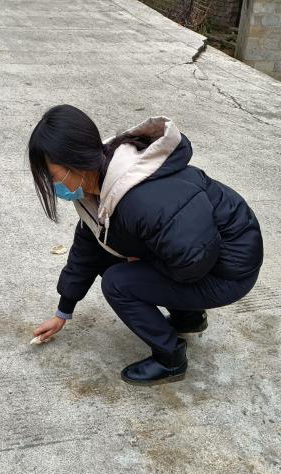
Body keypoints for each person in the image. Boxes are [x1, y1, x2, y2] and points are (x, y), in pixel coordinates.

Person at [26, 104, 264, 386]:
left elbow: (194, 259)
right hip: (206, 251)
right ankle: (188, 318)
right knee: (112, 253)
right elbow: (87, 249)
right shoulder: (98, 184)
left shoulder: (138, 199)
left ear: (75, 162)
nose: (53, 185)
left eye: (53, 176)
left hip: (228, 271)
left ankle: (170, 358)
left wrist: (144, 261)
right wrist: (63, 312)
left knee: (118, 282)